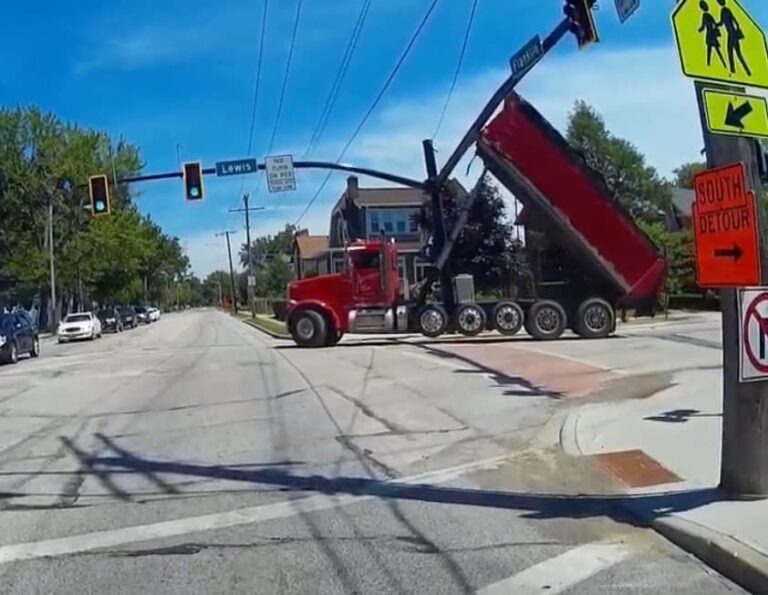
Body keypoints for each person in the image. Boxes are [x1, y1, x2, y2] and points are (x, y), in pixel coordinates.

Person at [717, 0, 752, 76]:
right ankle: (745, 71)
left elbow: (722, 22)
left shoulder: (723, 11)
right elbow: (734, 20)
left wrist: (715, 25)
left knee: (731, 53)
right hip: (733, 34)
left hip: (731, 35)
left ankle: (735, 70)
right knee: (736, 53)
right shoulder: (727, 10)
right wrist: (737, 28)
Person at [699, 1, 726, 68]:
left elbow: (703, 26)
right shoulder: (709, 15)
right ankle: (722, 64)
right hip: (712, 35)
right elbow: (715, 24)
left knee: (710, 51)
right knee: (714, 50)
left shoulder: (705, 16)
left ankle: (709, 64)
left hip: (709, 35)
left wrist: (699, 30)